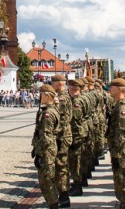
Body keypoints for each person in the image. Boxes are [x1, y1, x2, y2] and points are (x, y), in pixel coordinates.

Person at [106, 77, 125, 209]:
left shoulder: (122, 108)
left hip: (122, 150)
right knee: (120, 178)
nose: (109, 90)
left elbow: (122, 135)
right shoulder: (117, 105)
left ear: (119, 89)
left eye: (112, 87)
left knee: (124, 179)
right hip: (119, 149)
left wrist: (118, 154)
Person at [32, 84, 61, 209]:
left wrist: (39, 154)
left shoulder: (48, 113)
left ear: (47, 96)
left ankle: (53, 205)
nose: (40, 96)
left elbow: (46, 137)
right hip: (48, 149)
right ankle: (53, 203)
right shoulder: (50, 110)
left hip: (46, 152)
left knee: (46, 181)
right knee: (48, 179)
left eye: (41, 94)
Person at [50, 74, 72, 207]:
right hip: (61, 135)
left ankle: (64, 195)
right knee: (60, 165)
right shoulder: (60, 97)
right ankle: (62, 193)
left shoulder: (62, 98)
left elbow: (62, 120)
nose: (52, 86)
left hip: (62, 136)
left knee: (61, 165)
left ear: (58, 84)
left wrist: (54, 135)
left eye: (53, 83)